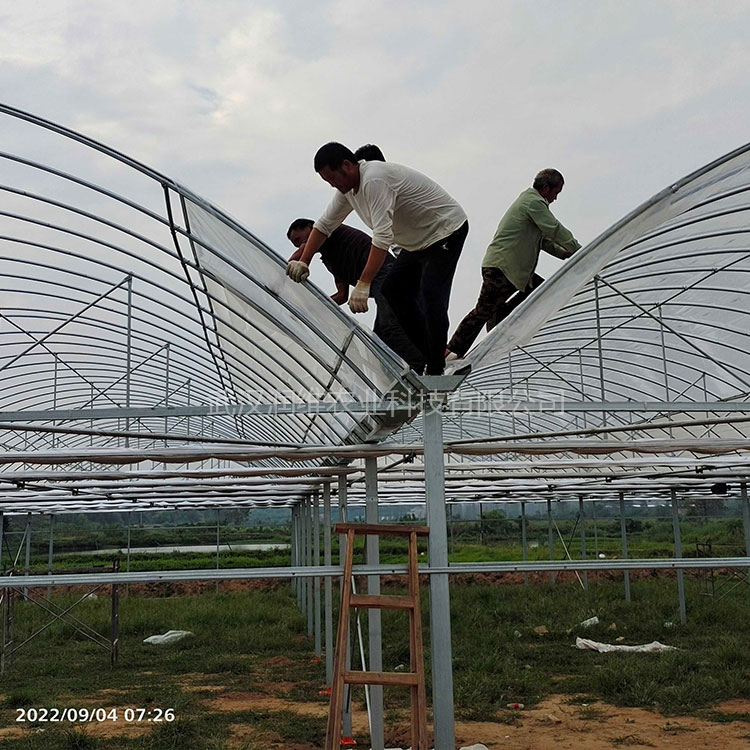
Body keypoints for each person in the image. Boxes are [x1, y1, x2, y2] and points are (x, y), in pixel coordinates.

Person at [286, 142, 468, 375]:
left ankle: (436, 367)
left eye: (332, 178)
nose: (333, 185)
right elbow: (323, 225)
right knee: (394, 291)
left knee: (432, 294)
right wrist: (304, 261)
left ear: (347, 165)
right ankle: (432, 359)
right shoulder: (347, 191)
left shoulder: (373, 179)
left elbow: (382, 237)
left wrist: (363, 283)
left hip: (445, 230)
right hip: (416, 242)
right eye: (327, 182)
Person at [446, 168, 581, 359]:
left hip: (513, 271)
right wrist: (579, 250)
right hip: (503, 268)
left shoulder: (530, 202)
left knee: (540, 290)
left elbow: (543, 239)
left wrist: (563, 253)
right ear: (545, 188)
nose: (556, 198)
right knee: (484, 309)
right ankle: (451, 350)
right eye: (556, 192)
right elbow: (554, 229)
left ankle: (498, 323)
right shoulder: (534, 202)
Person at [286, 218, 425, 372]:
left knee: (390, 326)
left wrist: (288, 267)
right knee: (380, 340)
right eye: (296, 244)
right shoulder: (331, 259)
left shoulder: (328, 229)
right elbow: (341, 295)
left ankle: (422, 367)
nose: (300, 245)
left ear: (311, 227)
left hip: (387, 274)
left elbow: (307, 246)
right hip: (383, 283)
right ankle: (406, 374)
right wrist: (311, 309)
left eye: (299, 239)